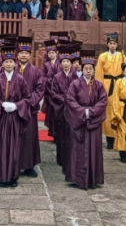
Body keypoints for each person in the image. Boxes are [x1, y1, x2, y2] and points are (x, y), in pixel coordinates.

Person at [0, 46, 31, 187]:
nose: (8, 64)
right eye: (6, 62)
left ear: (15, 63)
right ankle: (1, 177)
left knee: (15, 146)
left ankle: (13, 177)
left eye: (11, 62)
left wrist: (17, 106)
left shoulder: (20, 79)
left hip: (15, 118)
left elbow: (27, 98)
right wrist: (0, 104)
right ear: (2, 64)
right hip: (1, 117)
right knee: (1, 147)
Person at [65, 49, 107, 190]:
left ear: (94, 70)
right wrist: (83, 112)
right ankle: (77, 178)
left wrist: (92, 112)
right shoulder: (75, 84)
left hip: (93, 119)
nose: (88, 71)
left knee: (94, 148)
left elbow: (103, 101)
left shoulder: (99, 85)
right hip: (80, 119)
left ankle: (93, 178)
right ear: (82, 70)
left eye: (90, 69)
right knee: (78, 148)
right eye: (86, 68)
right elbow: (70, 99)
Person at [17, 38, 45, 177]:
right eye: (21, 53)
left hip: (29, 109)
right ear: (17, 55)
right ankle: (14, 164)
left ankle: (29, 166)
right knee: (14, 137)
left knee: (29, 137)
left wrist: (27, 102)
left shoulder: (36, 71)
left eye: (26, 53)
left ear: (30, 55)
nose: (23, 55)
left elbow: (40, 89)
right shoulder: (11, 68)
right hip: (14, 109)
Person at [49, 44, 79, 175]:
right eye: (63, 61)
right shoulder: (57, 77)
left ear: (71, 63)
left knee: (72, 134)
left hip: (73, 110)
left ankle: (72, 158)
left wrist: (72, 102)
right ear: (60, 64)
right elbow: (53, 93)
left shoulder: (76, 76)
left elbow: (79, 92)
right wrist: (64, 100)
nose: (66, 64)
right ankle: (61, 159)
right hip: (61, 109)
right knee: (61, 135)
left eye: (68, 61)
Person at [96, 33, 124, 150]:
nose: (112, 45)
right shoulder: (102, 56)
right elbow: (99, 73)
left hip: (118, 83)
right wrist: (100, 87)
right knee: (108, 110)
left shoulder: (122, 56)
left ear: (117, 45)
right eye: (110, 43)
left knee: (118, 108)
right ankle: (109, 139)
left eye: (114, 43)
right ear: (107, 45)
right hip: (107, 85)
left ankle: (119, 137)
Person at [111, 63, 126, 163]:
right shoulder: (119, 82)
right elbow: (115, 97)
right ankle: (122, 153)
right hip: (122, 107)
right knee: (122, 131)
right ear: (123, 72)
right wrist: (116, 111)